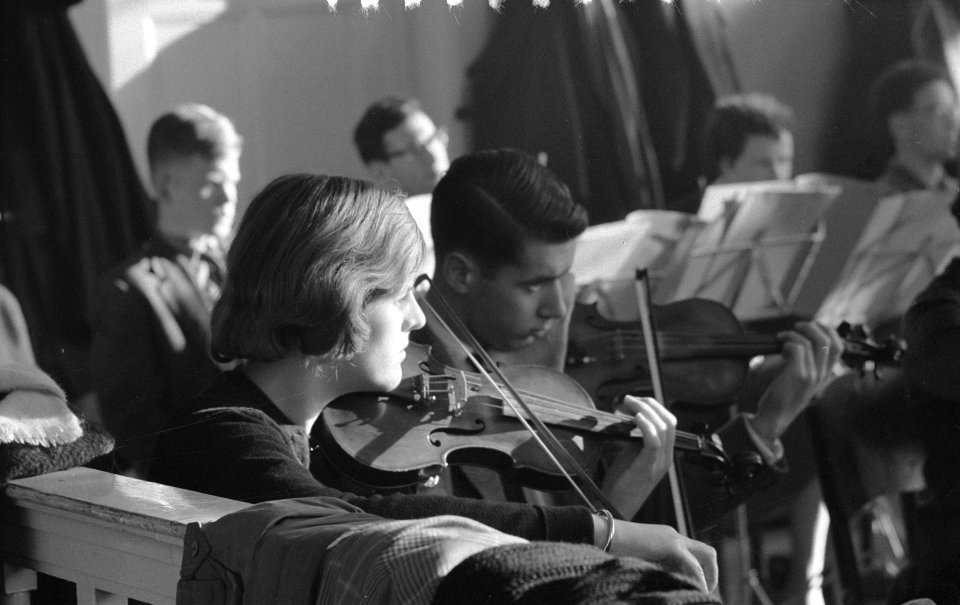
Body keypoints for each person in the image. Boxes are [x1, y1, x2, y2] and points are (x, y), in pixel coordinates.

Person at [147, 172, 720, 601]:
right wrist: (605, 532)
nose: (418, 320)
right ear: (342, 295)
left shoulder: (312, 429)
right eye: (401, 295)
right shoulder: (222, 435)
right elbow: (359, 522)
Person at [413, 149, 840, 529]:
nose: (560, 308)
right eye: (535, 284)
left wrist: (766, 426)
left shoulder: (540, 349)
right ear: (460, 274)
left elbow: (655, 523)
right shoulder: (405, 402)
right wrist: (606, 517)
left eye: (567, 277)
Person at [91, 104, 242, 478]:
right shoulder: (129, 289)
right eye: (211, 183)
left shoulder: (249, 264)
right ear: (163, 185)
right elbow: (139, 432)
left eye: (232, 181)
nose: (227, 198)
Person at [353, 95, 449, 276]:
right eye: (413, 151)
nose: (432, 155)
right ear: (379, 171)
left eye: (433, 138)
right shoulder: (386, 246)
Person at [669, 93, 795, 214]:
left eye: (784, 160)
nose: (778, 175)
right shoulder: (681, 219)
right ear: (726, 165)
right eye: (764, 163)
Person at [870, 59, 960, 195]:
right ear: (900, 126)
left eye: (953, 111)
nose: (952, 122)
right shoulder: (881, 201)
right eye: (939, 112)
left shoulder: (954, 193)